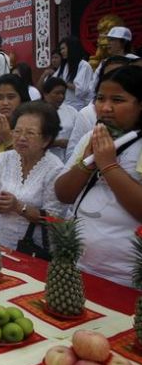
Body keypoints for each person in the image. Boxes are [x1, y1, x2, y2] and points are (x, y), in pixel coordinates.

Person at [55, 66, 142, 287]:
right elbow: (63, 193)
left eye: (118, 100)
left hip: (125, 276)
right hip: (77, 266)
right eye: (100, 98)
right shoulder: (91, 137)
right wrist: (87, 163)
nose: (105, 108)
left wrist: (109, 165)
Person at [0, 101, 65, 250]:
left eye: (30, 133)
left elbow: (54, 219)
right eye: (17, 131)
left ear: (46, 140)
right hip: (1, 243)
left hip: (34, 250)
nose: (21, 138)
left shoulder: (55, 169)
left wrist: (19, 207)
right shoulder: (6, 158)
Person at [66, 55, 132, 160]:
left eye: (121, 76)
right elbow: (71, 157)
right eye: (108, 76)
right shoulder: (88, 116)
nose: (106, 109)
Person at [89, 26, 138, 101]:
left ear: (123, 42)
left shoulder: (135, 61)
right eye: (108, 40)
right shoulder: (104, 63)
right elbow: (93, 87)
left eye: (112, 40)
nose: (108, 43)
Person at [42, 77, 78, 161]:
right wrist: (57, 143)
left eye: (63, 93)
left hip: (67, 160)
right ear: (46, 94)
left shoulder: (72, 111)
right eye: (57, 93)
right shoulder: (36, 112)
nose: (61, 97)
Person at [54, 36, 94, 111]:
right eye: (61, 49)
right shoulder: (65, 66)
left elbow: (81, 90)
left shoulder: (84, 65)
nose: (61, 52)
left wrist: (62, 83)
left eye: (63, 48)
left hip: (79, 107)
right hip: (65, 106)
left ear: (71, 48)